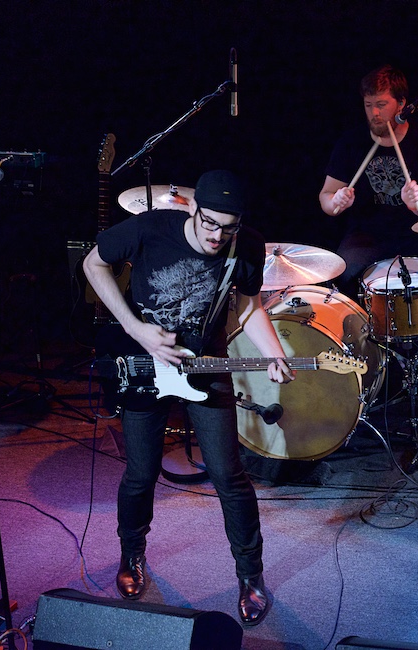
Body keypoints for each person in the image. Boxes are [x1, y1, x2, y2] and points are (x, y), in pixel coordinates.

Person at [82, 169, 294, 626]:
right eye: (209, 223)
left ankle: (250, 576)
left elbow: (249, 306)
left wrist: (274, 354)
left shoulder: (247, 245)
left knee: (228, 475)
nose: (218, 236)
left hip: (205, 363)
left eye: (228, 227)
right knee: (140, 472)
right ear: (193, 210)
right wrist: (136, 329)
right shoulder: (149, 229)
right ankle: (131, 555)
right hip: (145, 365)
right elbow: (92, 264)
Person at [318, 64, 418, 295]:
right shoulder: (351, 143)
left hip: (417, 234)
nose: (374, 113)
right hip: (367, 235)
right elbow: (326, 198)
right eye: (369, 105)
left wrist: (417, 202)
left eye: (381, 105)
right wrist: (336, 201)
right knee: (343, 275)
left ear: (401, 104)